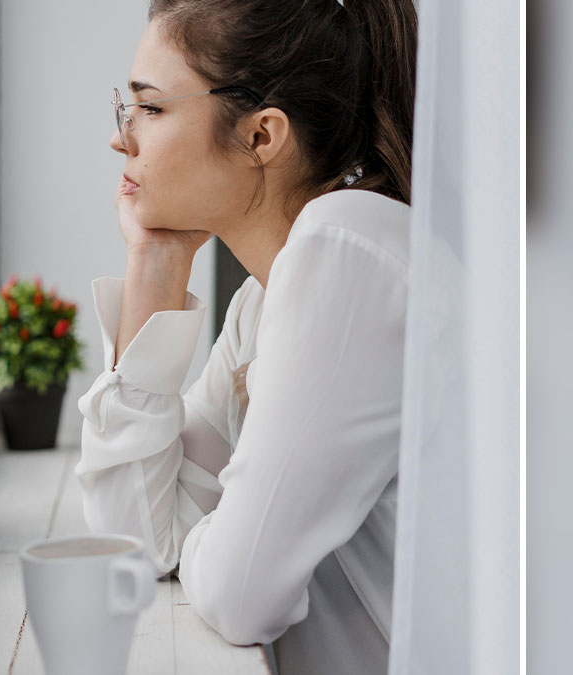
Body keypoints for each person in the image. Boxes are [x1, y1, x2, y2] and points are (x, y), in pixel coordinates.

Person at [76, 1, 416, 673]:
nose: (123, 139)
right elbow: (136, 544)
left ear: (262, 136)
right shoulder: (263, 302)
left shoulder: (345, 250)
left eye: (152, 109)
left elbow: (242, 593)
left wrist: (219, 532)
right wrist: (155, 261)